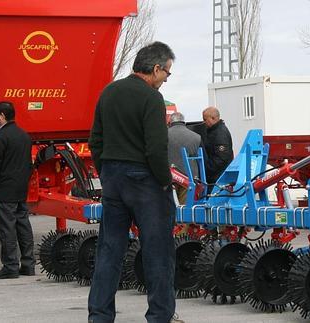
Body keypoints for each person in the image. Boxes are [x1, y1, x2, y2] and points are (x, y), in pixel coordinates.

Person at [88, 42, 182, 323]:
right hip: (145, 182)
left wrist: (106, 172)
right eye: (167, 73)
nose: (166, 79)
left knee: (109, 250)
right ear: (156, 69)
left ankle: (100, 316)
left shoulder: (109, 92)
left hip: (113, 181)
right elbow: (155, 149)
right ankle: (159, 316)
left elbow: (96, 141)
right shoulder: (152, 99)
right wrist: (166, 182)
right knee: (158, 252)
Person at [0, 101, 35, 279]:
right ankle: (28, 265)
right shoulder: (24, 136)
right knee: (23, 226)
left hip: (4, 191)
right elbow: (29, 165)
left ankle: (10, 266)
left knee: (6, 228)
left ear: (2, 116)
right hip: (20, 190)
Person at [168, 112, 202, 204]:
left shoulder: (163, 135)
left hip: (169, 178)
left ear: (170, 122)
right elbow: (202, 160)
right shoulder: (197, 137)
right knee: (186, 209)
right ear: (184, 122)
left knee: (170, 209)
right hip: (189, 179)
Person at [202, 106, 233, 185]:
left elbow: (221, 158)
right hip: (216, 176)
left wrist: (205, 170)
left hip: (217, 178)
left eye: (205, 119)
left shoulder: (220, 133)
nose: (204, 122)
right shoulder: (214, 131)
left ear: (213, 118)